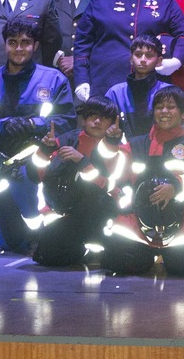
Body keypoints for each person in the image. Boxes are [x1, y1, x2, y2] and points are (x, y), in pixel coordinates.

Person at [0, 16, 75, 255]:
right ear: (5, 45)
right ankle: (15, 232)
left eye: (25, 42)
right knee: (11, 242)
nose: (19, 48)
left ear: (35, 46)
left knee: (39, 234)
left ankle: (45, 233)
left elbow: (67, 122)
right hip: (0, 161)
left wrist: (34, 124)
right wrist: (1, 126)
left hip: (42, 161)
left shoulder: (54, 79)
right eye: (12, 42)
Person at [99, 85, 184, 276]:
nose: (164, 112)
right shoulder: (136, 144)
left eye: (171, 107)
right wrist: (111, 144)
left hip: (182, 220)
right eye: (159, 107)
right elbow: (114, 174)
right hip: (136, 222)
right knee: (116, 262)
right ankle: (147, 254)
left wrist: (175, 187)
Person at [75, 0, 184, 100]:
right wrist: (81, 80)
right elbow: (82, 42)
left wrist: (176, 60)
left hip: (151, 85)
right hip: (105, 81)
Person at [30, 100, 126, 267]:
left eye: (104, 118)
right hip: (67, 212)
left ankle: (98, 249)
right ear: (83, 120)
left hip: (105, 214)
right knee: (46, 255)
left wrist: (81, 162)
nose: (97, 121)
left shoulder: (120, 148)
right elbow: (35, 175)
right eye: (92, 116)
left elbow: (109, 187)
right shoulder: (65, 140)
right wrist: (44, 149)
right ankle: (81, 251)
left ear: (113, 123)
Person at [103, 35, 172, 140]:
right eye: (138, 55)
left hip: (161, 151)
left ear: (159, 61)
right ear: (131, 59)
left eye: (149, 55)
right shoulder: (115, 93)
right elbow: (104, 128)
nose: (143, 60)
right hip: (123, 152)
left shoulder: (169, 92)